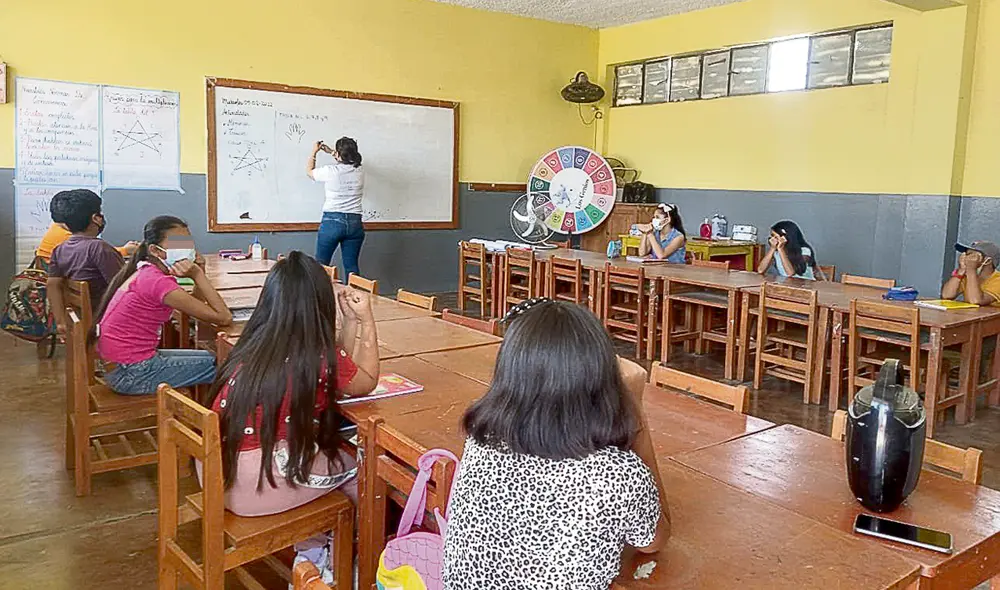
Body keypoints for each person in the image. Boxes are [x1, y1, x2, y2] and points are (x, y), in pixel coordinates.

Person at [442, 300, 670, 590]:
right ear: (601, 379)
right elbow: (654, 541)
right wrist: (635, 408)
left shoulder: (481, 440)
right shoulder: (617, 474)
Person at [206, 251, 379, 581]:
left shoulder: (256, 342)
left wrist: (351, 322)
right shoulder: (312, 356)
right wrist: (366, 319)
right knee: (366, 468)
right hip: (254, 485)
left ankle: (315, 541)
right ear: (319, 305)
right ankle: (341, 562)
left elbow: (340, 368)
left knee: (331, 455)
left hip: (218, 474)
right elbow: (365, 381)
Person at [94, 216, 232, 395]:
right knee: (230, 365)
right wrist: (198, 275)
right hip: (132, 373)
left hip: (121, 365)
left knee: (218, 358)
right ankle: (214, 417)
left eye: (188, 243)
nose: (188, 249)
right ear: (155, 250)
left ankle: (206, 412)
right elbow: (224, 317)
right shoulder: (157, 282)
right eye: (178, 244)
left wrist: (199, 271)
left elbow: (196, 307)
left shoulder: (147, 271)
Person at [46, 189, 126, 332]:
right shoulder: (99, 248)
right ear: (96, 218)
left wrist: (61, 323)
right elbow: (125, 287)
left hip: (81, 319)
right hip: (106, 320)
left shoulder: (60, 249)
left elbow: (52, 285)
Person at [307, 137, 366, 280]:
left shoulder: (330, 171)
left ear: (339, 155)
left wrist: (314, 152)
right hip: (354, 223)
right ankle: (354, 299)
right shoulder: (360, 171)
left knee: (321, 266)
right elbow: (347, 159)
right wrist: (332, 151)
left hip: (332, 222)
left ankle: (320, 299)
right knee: (352, 267)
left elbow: (310, 171)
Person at [35, 190, 138, 265]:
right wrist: (126, 250)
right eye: (98, 212)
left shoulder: (57, 229)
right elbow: (99, 255)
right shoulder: (69, 240)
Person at [758, 220, 825, 281]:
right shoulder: (776, 251)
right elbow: (760, 270)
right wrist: (772, 249)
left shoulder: (805, 250)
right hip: (786, 285)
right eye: (771, 236)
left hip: (804, 286)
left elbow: (790, 273)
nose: (772, 239)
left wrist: (781, 249)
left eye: (775, 237)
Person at [942, 241, 1000, 306]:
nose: (966, 258)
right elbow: (947, 295)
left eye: (972, 255)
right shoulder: (967, 277)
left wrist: (971, 269)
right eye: (966, 254)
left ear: (988, 261)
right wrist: (960, 271)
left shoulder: (998, 280)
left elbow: (975, 301)